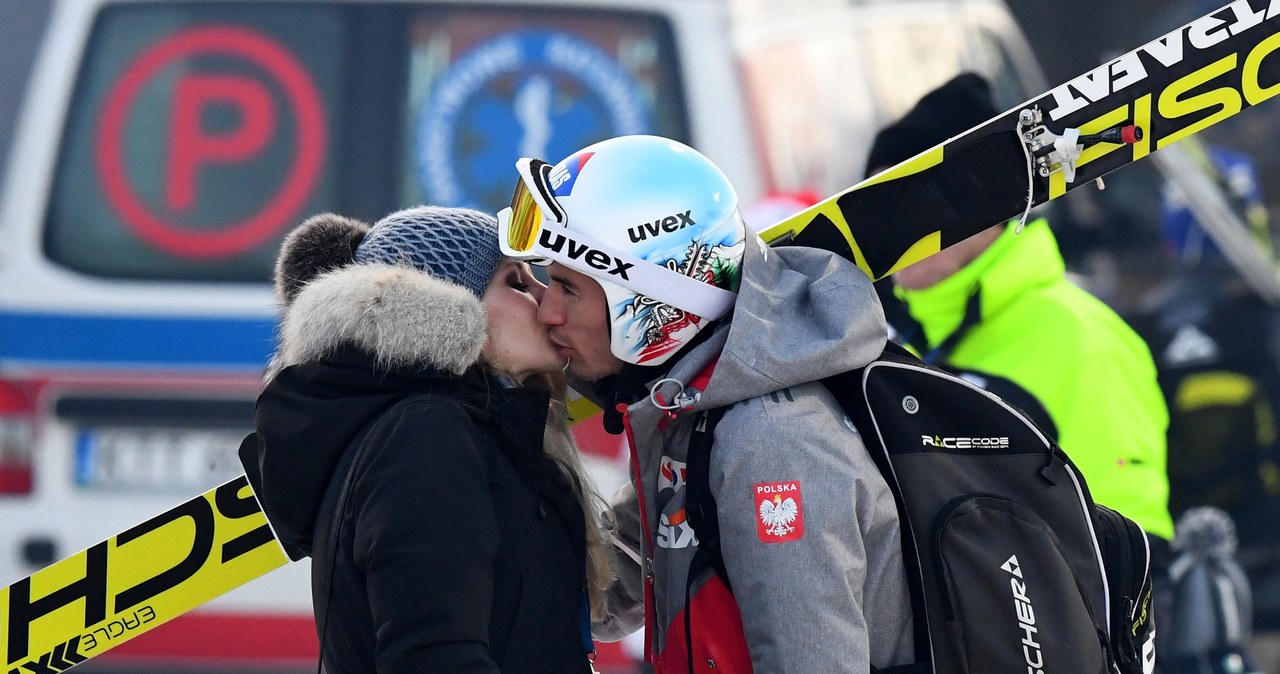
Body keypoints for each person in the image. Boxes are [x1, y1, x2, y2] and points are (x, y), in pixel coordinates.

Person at [495, 136, 915, 671]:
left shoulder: (770, 443)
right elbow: (600, 595)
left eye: (568, 289)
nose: (547, 312)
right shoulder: (689, 414)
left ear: (649, 303)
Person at [865, 72, 1175, 646]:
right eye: (874, 209)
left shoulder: (1083, 340)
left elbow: (1134, 551)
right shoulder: (896, 340)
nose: (888, 233)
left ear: (977, 211)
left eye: (907, 208)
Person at [237, 205, 613, 673]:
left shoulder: (461, 428)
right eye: (516, 282)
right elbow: (435, 657)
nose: (547, 303)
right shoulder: (427, 438)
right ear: (449, 312)